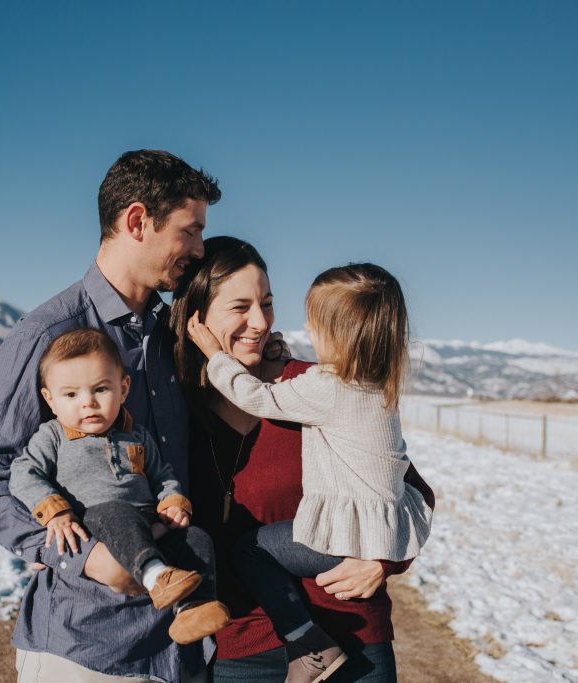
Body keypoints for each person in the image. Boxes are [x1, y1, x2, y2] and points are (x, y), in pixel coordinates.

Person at [0, 149, 221, 683]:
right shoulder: (47, 335)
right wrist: (89, 558)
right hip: (87, 646)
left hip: (181, 649)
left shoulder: (174, 336)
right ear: (138, 220)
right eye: (189, 232)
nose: (199, 248)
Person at [169, 237, 436, 683]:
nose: (260, 321)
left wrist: (380, 561)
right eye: (241, 307)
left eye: (268, 304)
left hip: (351, 637)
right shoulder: (175, 409)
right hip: (239, 647)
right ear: (198, 316)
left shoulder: (311, 386)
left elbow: (411, 491)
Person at [8, 328, 230, 644]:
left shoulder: (136, 436)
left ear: (123, 388)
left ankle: (193, 608)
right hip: (98, 522)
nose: (88, 403)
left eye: (100, 389)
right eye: (71, 395)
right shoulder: (53, 436)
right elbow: (23, 473)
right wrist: (55, 511)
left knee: (196, 538)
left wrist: (172, 501)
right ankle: (156, 575)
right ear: (50, 400)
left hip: (149, 523)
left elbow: (161, 474)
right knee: (115, 511)